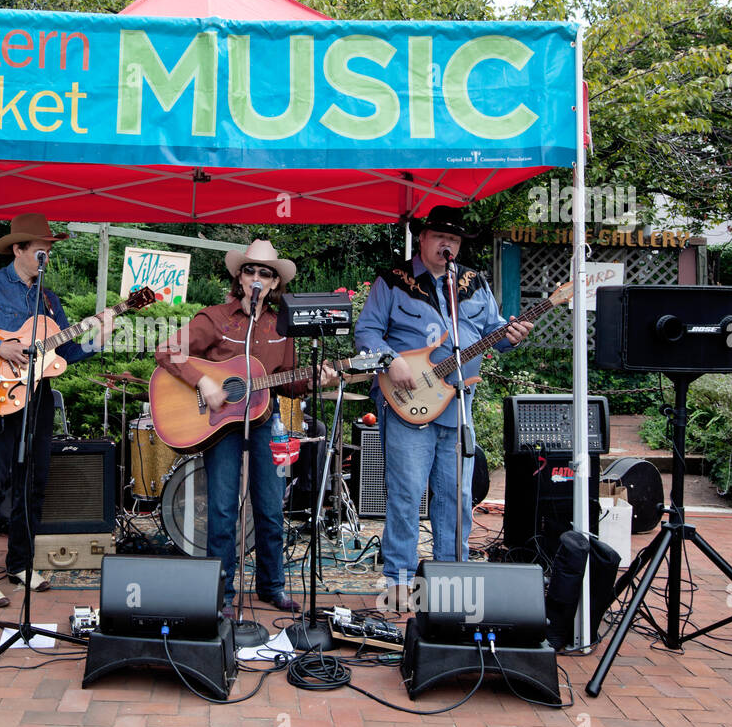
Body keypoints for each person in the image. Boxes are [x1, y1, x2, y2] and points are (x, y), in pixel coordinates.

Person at [354, 206, 532, 611]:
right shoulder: (392, 280)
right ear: (423, 238)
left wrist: (512, 335)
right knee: (405, 495)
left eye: (454, 239)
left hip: (458, 406)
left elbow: (493, 334)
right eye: (440, 236)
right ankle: (400, 586)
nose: (447, 244)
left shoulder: (473, 283)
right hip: (407, 406)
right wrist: (389, 357)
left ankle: (453, 582)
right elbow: (366, 330)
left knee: (457, 496)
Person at [0, 213, 114, 608]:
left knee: (34, 484)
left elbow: (64, 353)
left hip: (38, 397)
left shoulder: (49, 299)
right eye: (39, 249)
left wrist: (98, 335)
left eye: (48, 250)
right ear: (17, 249)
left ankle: (19, 563)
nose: (45, 256)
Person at [153, 239, 338, 614]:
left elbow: (286, 380)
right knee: (222, 509)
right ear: (239, 277)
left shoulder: (281, 327)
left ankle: (271, 586)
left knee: (270, 507)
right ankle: (220, 594)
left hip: (263, 419)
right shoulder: (215, 317)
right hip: (218, 422)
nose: (256, 277)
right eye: (250, 270)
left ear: (274, 284)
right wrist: (204, 382)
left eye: (265, 273)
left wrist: (317, 379)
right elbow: (167, 349)